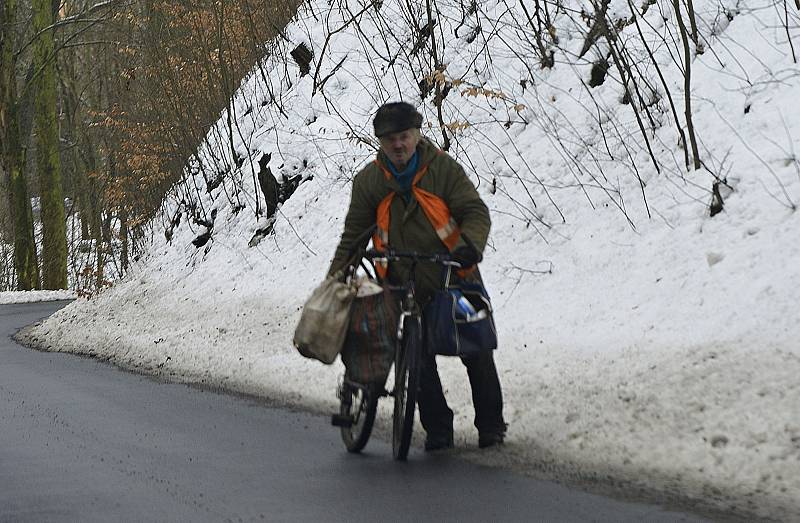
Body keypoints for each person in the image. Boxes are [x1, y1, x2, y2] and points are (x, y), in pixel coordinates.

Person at [328, 101, 506, 450]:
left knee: (477, 348)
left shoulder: (442, 170)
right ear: (380, 141)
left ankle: (492, 426)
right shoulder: (370, 181)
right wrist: (335, 278)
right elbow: (353, 235)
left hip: (453, 271)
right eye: (390, 139)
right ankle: (438, 429)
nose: (398, 145)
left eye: (404, 137)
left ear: (417, 135)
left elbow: (474, 211)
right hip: (400, 277)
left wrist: (470, 245)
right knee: (414, 353)